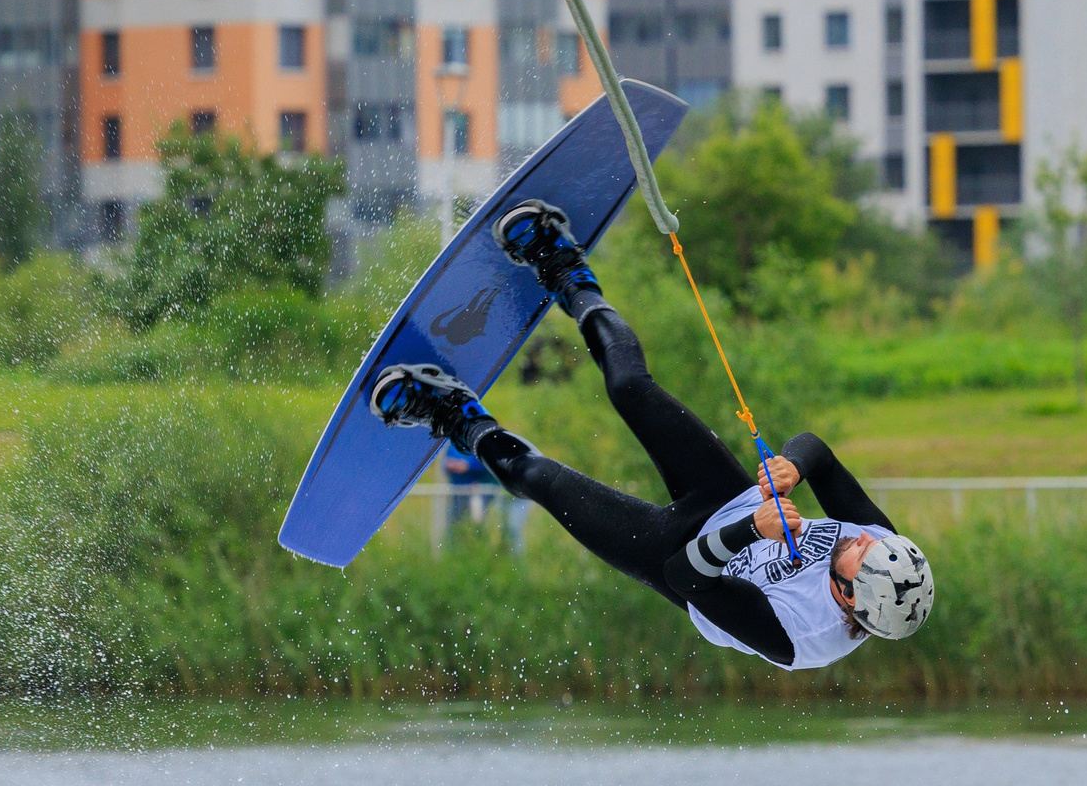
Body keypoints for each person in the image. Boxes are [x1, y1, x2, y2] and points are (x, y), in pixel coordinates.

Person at [368, 200, 935, 671]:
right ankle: (563, 267)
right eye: (873, 542)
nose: (861, 540)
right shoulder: (883, 547)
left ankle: (453, 414)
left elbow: (685, 576)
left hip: (681, 558)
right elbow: (819, 452)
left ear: (849, 597)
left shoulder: (800, 638)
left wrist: (747, 530)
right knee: (629, 386)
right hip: (726, 495)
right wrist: (794, 465)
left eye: (860, 554)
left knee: (535, 477)